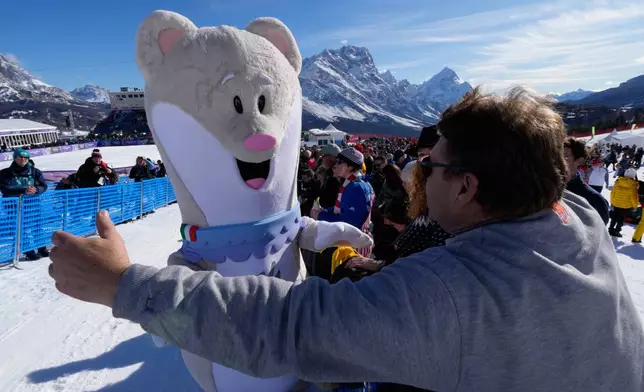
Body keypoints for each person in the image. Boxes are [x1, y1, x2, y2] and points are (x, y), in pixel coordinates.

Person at [48, 87, 644, 392]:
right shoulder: (573, 215)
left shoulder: (450, 296)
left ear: (466, 188)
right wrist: (388, 284)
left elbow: (287, 326)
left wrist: (122, 285)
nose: (417, 175)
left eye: (428, 166)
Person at [0, 149, 49, 260]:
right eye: (20, 157)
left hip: (33, 204)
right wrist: (23, 190)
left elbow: (43, 185)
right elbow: (5, 189)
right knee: (19, 228)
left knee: (37, 226)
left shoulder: (35, 172)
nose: (23, 160)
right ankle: (29, 252)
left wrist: (36, 189)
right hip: (13, 206)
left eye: (25, 158)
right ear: (15, 158)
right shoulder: (5, 173)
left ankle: (42, 248)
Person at [563, 138, 609, 224]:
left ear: (579, 161)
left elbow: (598, 235)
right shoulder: (546, 191)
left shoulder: (595, 200)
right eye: (556, 156)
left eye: (565, 156)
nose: (558, 160)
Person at [608, 168, 640, 238]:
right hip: (626, 206)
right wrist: (635, 206)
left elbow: (613, 193)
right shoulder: (633, 185)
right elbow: (633, 197)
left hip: (616, 203)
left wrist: (612, 201)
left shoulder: (618, 181)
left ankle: (610, 228)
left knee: (614, 216)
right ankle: (617, 230)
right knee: (621, 218)